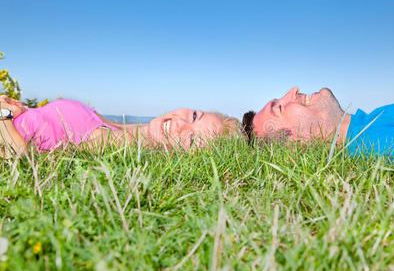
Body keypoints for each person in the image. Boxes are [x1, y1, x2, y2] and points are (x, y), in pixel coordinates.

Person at [242, 85, 394, 163]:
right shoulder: (373, 146)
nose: (293, 90)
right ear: (296, 145)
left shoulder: (369, 125)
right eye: (280, 107)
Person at [0, 96, 240, 157]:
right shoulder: (121, 129)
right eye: (195, 116)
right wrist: (16, 106)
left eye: (192, 139)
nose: (180, 124)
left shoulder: (114, 144)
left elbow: (22, 155)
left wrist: (4, 117)